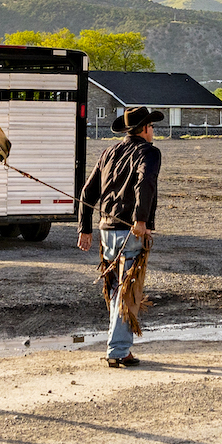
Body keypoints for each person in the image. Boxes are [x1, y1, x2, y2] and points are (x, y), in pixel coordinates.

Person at [77, 105, 161, 367]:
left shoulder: (109, 152)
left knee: (116, 291)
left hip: (106, 231)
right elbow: (144, 182)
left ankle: (118, 346)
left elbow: (87, 192)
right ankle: (118, 350)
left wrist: (85, 228)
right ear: (145, 128)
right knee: (128, 292)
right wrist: (141, 219)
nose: (153, 130)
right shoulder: (149, 152)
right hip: (130, 231)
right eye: (152, 126)